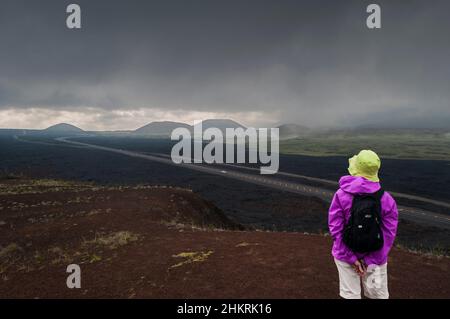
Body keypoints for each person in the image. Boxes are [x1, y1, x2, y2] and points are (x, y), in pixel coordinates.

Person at [328, 150, 398, 299]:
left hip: (345, 254)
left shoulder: (340, 195)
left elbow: (336, 230)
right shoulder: (387, 200)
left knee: (350, 295)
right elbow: (388, 235)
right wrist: (370, 260)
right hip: (375, 258)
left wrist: (351, 258)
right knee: (377, 296)